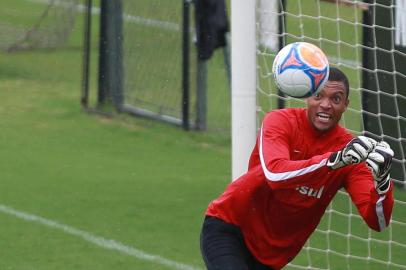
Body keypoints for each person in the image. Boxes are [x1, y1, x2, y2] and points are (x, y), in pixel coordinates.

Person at [200, 67, 395, 270]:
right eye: (319, 96)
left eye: (336, 99)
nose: (326, 105)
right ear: (308, 97)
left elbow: (378, 222)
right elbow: (275, 174)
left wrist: (382, 182)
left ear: (346, 105)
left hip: (273, 255)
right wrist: (332, 161)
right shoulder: (280, 121)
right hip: (231, 226)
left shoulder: (349, 153)